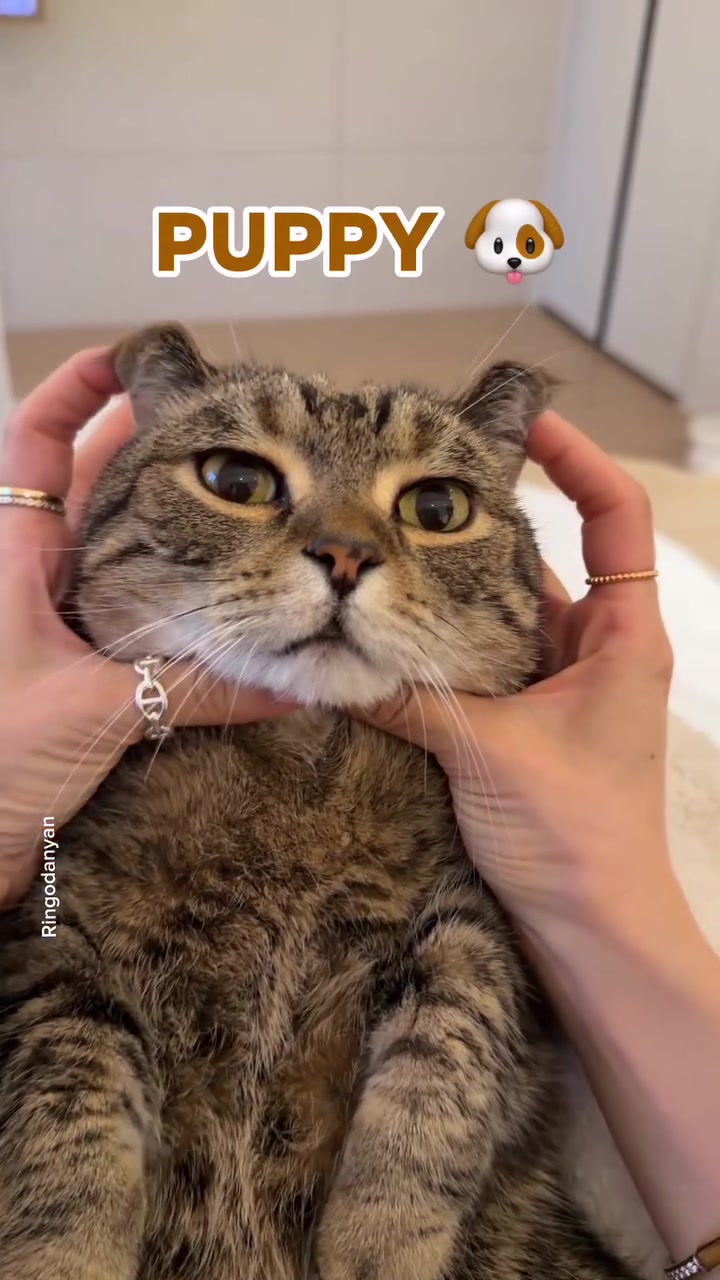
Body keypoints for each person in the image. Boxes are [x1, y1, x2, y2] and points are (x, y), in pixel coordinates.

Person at [1, 347, 719, 1278]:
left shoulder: (481, 790)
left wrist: (601, 888)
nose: (345, 548)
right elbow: (51, 941)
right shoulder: (59, 803)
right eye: (237, 479)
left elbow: (468, 963)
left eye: (435, 508)